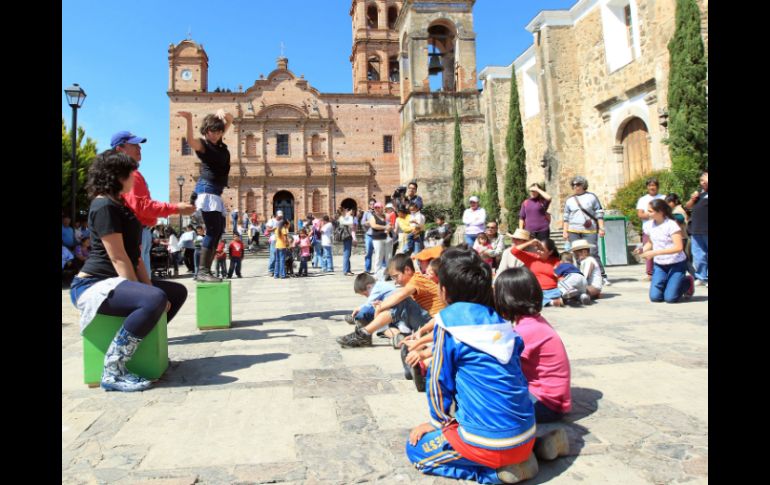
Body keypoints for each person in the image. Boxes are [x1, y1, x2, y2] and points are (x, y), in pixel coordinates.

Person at [405, 247, 538, 484]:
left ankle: (495, 473)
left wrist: (437, 423)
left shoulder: (448, 322)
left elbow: (438, 381)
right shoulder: (501, 322)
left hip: (491, 444)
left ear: (444, 291)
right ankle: (527, 453)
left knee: (416, 450)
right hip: (527, 433)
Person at [69, 150, 187, 392]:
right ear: (117, 175)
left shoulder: (121, 205)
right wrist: (145, 293)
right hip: (93, 285)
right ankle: (113, 368)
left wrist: (149, 288)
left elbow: (135, 257)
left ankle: (144, 350)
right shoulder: (103, 206)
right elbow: (118, 256)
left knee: (174, 293)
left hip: (116, 282)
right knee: (153, 299)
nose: (135, 177)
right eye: (131, 173)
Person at [494, 267, 573, 452]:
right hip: (551, 400)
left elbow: (498, 363)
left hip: (546, 404)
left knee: (489, 400)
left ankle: (532, 447)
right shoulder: (532, 321)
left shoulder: (526, 330)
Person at [112, 131, 195, 279]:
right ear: (120, 149)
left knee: (142, 278)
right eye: (134, 145)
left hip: (139, 231)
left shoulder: (125, 174)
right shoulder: (129, 175)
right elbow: (142, 206)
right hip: (136, 232)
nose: (139, 148)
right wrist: (176, 208)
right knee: (140, 281)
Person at [336, 254, 444, 348]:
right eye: (393, 278)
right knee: (391, 309)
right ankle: (396, 336)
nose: (395, 282)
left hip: (433, 324)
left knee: (401, 301)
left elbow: (401, 295)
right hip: (425, 322)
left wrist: (382, 306)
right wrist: (382, 307)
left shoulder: (417, 279)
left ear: (407, 270)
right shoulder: (414, 282)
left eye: (396, 277)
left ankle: (364, 334)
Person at [176, 110, 234, 282]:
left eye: (218, 131)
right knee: (212, 231)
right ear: (205, 131)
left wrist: (224, 114)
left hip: (215, 190)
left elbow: (230, 120)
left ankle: (206, 271)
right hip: (207, 190)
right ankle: (202, 271)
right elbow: (190, 141)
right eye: (211, 131)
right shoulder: (204, 145)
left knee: (218, 231)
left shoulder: (220, 144)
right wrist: (188, 119)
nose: (215, 134)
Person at [634, 199, 695, 303]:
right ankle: (671, 283)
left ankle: (687, 282)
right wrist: (642, 250)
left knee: (670, 298)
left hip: (677, 263)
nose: (647, 213)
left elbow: (678, 247)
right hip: (660, 264)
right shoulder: (649, 225)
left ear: (660, 212)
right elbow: (650, 242)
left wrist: (655, 253)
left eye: (650, 211)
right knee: (655, 297)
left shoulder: (671, 225)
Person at [562, 176, 610, 286]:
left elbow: (599, 212)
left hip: (590, 230)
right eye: (573, 185)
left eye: (578, 184)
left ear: (583, 185)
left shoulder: (591, 197)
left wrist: (601, 227)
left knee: (592, 253)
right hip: (573, 230)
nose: (575, 187)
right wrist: (565, 231)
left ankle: (601, 276)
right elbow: (566, 217)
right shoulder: (569, 200)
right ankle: (582, 276)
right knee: (577, 254)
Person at [510, 238, 563, 307]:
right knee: (521, 296)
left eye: (542, 250)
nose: (538, 251)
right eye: (538, 248)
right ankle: (551, 302)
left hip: (553, 291)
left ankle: (548, 301)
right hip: (536, 291)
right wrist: (530, 243)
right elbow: (514, 251)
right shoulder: (531, 258)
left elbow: (561, 278)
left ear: (550, 252)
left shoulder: (557, 262)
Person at [635, 178, 666, 280]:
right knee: (648, 249)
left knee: (662, 249)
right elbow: (640, 214)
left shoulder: (663, 198)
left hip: (662, 228)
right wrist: (654, 215)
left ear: (657, 187)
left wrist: (649, 214)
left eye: (654, 185)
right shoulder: (643, 199)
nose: (652, 187)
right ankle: (650, 273)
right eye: (650, 185)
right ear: (647, 187)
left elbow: (666, 212)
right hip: (648, 229)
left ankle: (663, 271)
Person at [685, 171, 708, 287]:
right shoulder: (699, 194)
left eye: (704, 179)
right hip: (696, 229)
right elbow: (687, 206)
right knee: (699, 255)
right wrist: (693, 199)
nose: (702, 182)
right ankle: (701, 277)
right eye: (701, 180)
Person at [367, 202, 390, 280]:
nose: (377, 209)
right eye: (375, 208)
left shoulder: (385, 216)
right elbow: (374, 226)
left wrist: (388, 227)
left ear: (381, 208)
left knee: (388, 256)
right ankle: (377, 273)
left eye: (378, 207)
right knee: (379, 256)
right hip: (377, 238)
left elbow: (390, 224)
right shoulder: (372, 217)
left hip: (386, 238)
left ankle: (387, 274)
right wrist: (385, 227)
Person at [266, 211, 285, 276]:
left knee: (281, 256)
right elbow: (268, 230)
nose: (280, 217)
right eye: (279, 216)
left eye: (281, 216)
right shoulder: (271, 221)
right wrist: (275, 228)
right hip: (274, 239)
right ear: (276, 215)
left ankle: (278, 270)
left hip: (281, 240)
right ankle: (271, 270)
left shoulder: (282, 221)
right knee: (273, 255)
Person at [338, 208, 356, 276]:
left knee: (348, 254)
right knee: (347, 254)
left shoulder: (344, 218)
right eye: (348, 210)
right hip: (347, 237)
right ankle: (346, 270)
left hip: (347, 237)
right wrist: (349, 216)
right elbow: (351, 226)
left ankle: (348, 269)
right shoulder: (344, 218)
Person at [361, 199, 377, 274]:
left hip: (377, 235)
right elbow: (362, 222)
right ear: (369, 205)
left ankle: (379, 269)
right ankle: (367, 269)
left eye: (374, 204)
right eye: (371, 204)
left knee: (379, 253)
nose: (372, 205)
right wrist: (369, 222)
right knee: (368, 253)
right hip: (369, 235)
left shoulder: (378, 212)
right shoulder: (366, 213)